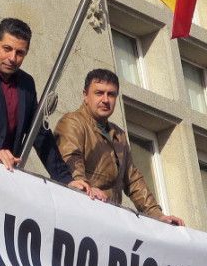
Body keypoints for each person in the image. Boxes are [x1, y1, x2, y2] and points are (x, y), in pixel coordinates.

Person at [0, 17, 92, 194]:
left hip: (7, 177)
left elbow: (39, 133)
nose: (12, 58)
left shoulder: (26, 83)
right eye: (7, 49)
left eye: (20, 53)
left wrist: (66, 179)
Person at [56, 69, 184, 225]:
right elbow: (70, 160)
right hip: (81, 214)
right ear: (85, 95)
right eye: (99, 93)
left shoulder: (119, 135)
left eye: (111, 94)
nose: (105, 99)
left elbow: (133, 180)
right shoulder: (73, 122)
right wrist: (85, 187)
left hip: (110, 220)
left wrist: (157, 215)